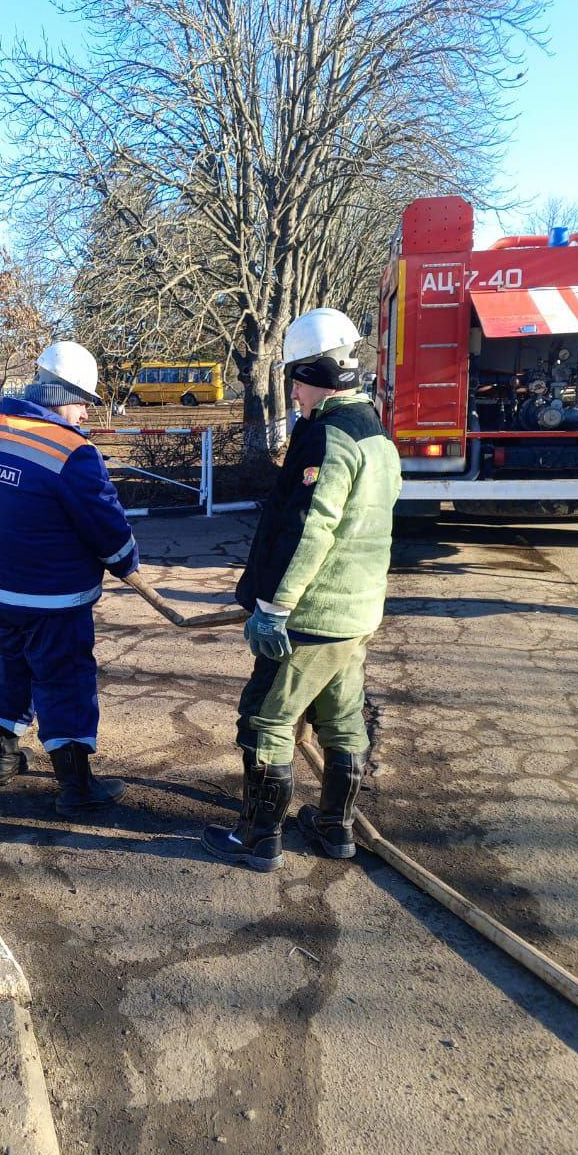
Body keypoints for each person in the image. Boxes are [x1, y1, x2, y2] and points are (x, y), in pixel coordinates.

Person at [202, 308, 402, 871]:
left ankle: (258, 839)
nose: (292, 390)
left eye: (296, 376)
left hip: (311, 618)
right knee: (342, 719)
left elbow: (311, 528)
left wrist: (274, 607)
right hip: (357, 614)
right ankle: (335, 831)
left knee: (266, 719)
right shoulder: (376, 432)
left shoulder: (326, 437)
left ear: (319, 373)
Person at [0, 340, 139, 818]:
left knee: (13, 667)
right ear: (63, 394)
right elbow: (106, 523)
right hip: (53, 596)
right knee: (65, 680)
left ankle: (1, 757)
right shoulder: (72, 453)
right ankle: (77, 786)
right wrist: (126, 562)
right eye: (84, 403)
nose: (84, 415)